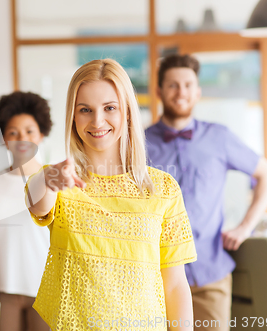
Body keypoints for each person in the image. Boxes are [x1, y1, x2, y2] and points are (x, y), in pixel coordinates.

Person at [25, 59, 197, 331]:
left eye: (109, 108)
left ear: (127, 112)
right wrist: (48, 179)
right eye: (85, 110)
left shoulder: (163, 188)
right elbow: (36, 203)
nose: (97, 121)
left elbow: (175, 284)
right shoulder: (59, 180)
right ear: (73, 115)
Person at [145, 54, 267, 331]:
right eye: (172, 85)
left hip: (210, 276)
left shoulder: (220, 137)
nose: (181, 92)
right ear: (158, 91)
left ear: (197, 91)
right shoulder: (138, 143)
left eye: (187, 85)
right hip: (154, 278)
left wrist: (245, 227)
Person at [0, 91, 52, 331]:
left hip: (46, 290)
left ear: (42, 134)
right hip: (4, 290)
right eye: (13, 132)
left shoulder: (53, 180)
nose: (22, 138)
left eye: (29, 131)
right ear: (3, 137)